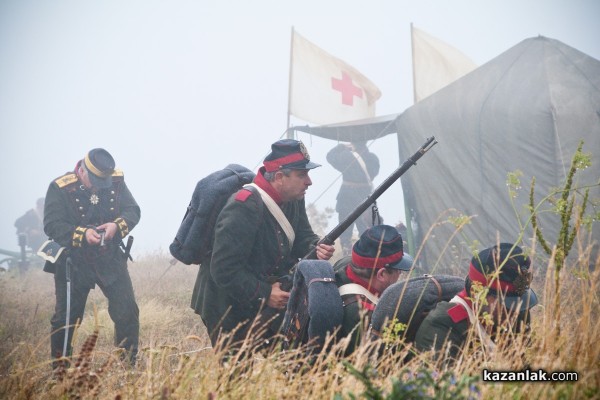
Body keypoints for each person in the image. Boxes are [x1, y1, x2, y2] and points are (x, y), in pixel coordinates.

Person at [191, 139, 335, 352]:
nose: (309, 182)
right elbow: (223, 270)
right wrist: (265, 293)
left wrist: (316, 246)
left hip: (263, 297)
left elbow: (302, 237)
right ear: (279, 177)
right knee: (237, 376)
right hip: (225, 304)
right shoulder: (243, 206)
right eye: (301, 175)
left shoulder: (294, 198)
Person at [43, 148, 141, 367]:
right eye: (95, 181)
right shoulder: (60, 187)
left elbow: (133, 211)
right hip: (73, 262)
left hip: (110, 259)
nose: (99, 186)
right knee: (66, 319)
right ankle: (60, 371)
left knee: (127, 311)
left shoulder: (116, 181)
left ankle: (128, 365)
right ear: (83, 171)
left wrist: (117, 226)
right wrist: (83, 234)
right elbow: (52, 225)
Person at [414, 243, 538, 361]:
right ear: (476, 293)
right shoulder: (442, 326)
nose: (515, 310)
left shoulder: (517, 313)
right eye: (505, 302)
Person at [333, 224, 412, 355]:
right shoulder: (362, 314)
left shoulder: (346, 266)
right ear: (381, 274)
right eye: (398, 270)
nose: (400, 274)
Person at [327, 141, 380, 253]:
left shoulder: (347, 156)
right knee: (365, 231)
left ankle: (348, 255)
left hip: (347, 196)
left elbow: (330, 157)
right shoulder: (372, 158)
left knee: (346, 234)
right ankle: (365, 255)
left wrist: (341, 147)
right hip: (364, 196)